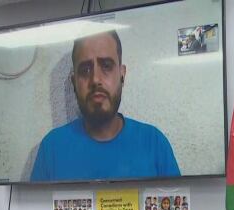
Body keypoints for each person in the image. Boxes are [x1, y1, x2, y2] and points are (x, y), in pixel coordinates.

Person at [30, 30, 180, 182]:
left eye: (107, 66)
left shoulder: (155, 144)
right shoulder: (51, 149)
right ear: (74, 82)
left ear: (122, 74)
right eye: (85, 70)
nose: (95, 79)